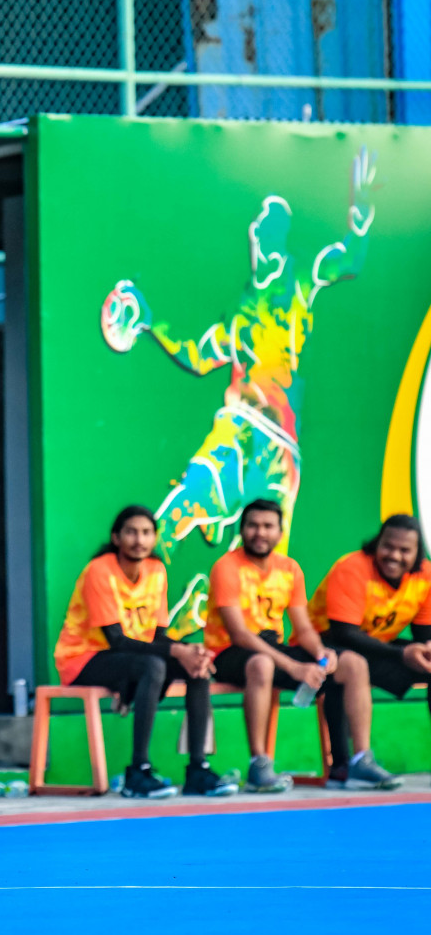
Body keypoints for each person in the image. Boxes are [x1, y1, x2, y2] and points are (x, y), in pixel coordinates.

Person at [98, 150, 374, 637]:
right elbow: (195, 355)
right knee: (171, 520)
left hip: (279, 454)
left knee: (265, 574)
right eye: (255, 233)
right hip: (238, 432)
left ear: (280, 240)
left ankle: (202, 621)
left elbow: (348, 260)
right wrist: (148, 323)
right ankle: (144, 625)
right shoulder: (237, 315)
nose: (258, 240)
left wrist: (361, 210)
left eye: (266, 231)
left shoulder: (300, 284)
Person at [54, 505, 237, 799]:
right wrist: (177, 650)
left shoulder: (156, 570)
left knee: (198, 667)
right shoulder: (100, 570)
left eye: (146, 533)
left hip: (135, 658)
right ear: (116, 538)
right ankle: (137, 771)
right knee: (154, 666)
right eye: (131, 532)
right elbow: (116, 640)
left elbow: (158, 636)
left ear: (154, 538)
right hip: (84, 658)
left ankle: (197, 769)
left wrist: (189, 652)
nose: (139, 540)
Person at [204, 499, 372, 792]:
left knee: (351, 664)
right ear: (242, 531)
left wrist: (321, 653)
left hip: (273, 647)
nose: (260, 533)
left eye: (268, 526)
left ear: (280, 533)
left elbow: (303, 627)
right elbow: (240, 634)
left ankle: (358, 762)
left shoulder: (290, 568)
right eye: (253, 525)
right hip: (227, 652)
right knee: (262, 663)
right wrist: (294, 667)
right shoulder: (226, 567)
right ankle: (259, 764)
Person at [307, 515, 429, 789]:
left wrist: (425, 650)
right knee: (350, 666)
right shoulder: (352, 568)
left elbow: (424, 634)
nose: (394, 556)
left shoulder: (425, 576)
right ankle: (349, 764)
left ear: (417, 554)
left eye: (404, 550)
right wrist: (402, 654)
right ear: (377, 544)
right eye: (388, 546)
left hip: (377, 646)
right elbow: (344, 633)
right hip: (323, 645)